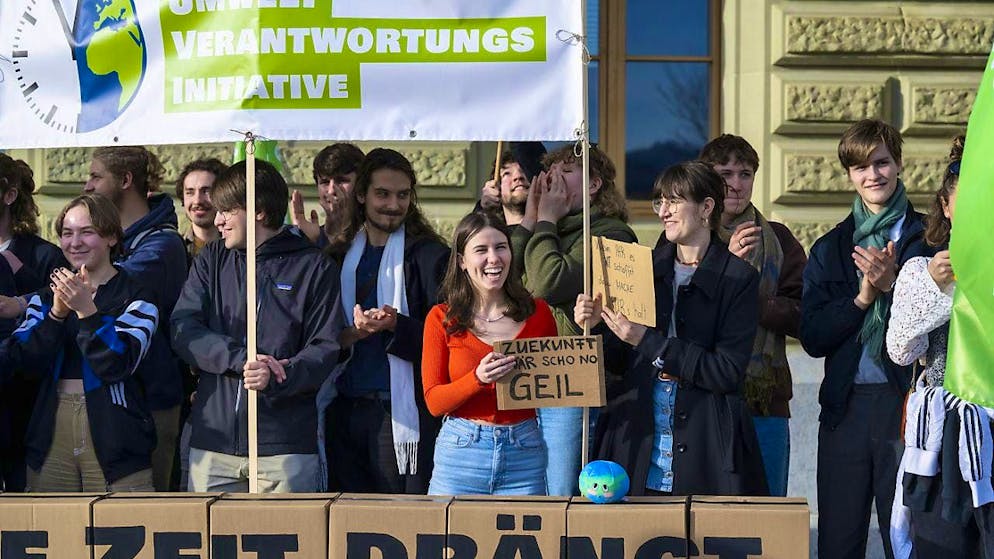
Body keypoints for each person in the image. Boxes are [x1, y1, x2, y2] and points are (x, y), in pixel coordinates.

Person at [576, 161, 767, 496]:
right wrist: (594, 328)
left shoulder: (738, 278)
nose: (663, 211)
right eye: (659, 202)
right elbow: (619, 363)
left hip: (705, 442)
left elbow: (726, 372)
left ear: (707, 207)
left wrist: (648, 342)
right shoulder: (642, 269)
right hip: (637, 439)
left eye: (674, 201)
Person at [800, 119, 933, 559]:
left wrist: (896, 287)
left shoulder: (928, 239)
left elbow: (941, 323)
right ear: (850, 175)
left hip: (907, 408)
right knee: (838, 540)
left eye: (882, 163)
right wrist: (861, 299)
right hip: (845, 407)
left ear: (898, 165)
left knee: (908, 540)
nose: (872, 175)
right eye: (861, 167)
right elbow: (814, 336)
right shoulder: (831, 247)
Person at [171, 160, 341, 492]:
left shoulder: (313, 266)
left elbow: (326, 348)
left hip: (284, 447)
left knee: (290, 542)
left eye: (227, 211)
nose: (217, 220)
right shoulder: (212, 259)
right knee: (211, 543)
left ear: (259, 211)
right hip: (213, 445)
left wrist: (280, 375)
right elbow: (183, 327)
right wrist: (240, 360)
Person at [1, 194, 160, 491]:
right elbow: (20, 361)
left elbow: (117, 364)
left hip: (115, 434)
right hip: (50, 430)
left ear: (112, 236)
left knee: (120, 528)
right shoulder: (47, 297)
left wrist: (87, 312)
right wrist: (57, 316)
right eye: (67, 233)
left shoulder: (136, 296)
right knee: (53, 530)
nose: (75, 243)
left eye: (87, 232)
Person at [887, 137, 994, 558]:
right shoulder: (920, 269)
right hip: (941, 437)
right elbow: (900, 348)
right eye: (963, 204)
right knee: (942, 545)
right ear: (946, 208)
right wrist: (937, 286)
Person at [511, 144, 637, 496]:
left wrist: (547, 221)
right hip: (525, 376)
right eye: (550, 170)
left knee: (557, 494)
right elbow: (507, 280)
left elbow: (545, 282)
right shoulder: (546, 228)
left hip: (568, 385)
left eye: (566, 171)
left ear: (594, 184)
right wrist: (529, 220)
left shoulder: (610, 232)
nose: (553, 178)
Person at [325, 148, 449, 494]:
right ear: (361, 194)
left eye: (403, 195)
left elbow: (451, 340)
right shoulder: (336, 256)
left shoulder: (430, 257)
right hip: (343, 408)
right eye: (383, 194)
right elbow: (320, 336)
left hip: (401, 414)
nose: (393, 205)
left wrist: (398, 325)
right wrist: (352, 334)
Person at [690, 135, 806, 497]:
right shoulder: (683, 237)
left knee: (768, 514)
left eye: (745, 174)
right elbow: (677, 314)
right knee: (707, 518)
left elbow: (805, 317)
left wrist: (752, 300)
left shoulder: (780, 239)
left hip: (763, 400)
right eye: (725, 173)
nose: (736, 184)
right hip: (701, 398)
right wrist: (728, 268)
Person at [422, 212, 556, 495]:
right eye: (481, 250)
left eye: (501, 247)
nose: (493, 258)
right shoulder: (441, 318)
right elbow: (434, 401)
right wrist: (477, 379)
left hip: (525, 451)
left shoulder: (540, 313)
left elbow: (558, 389)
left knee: (526, 539)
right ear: (462, 261)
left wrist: (586, 327)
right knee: (450, 539)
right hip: (462, 452)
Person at [85, 146, 187, 491]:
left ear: (126, 180)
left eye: (96, 176)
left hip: (153, 401)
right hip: (118, 402)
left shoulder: (162, 246)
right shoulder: (126, 243)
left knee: (146, 515)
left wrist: (28, 303)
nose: (87, 185)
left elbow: (105, 284)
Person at [0, 154, 68, 492]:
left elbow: (67, 289)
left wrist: (22, 302)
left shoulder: (44, 255)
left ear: (9, 195)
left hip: (29, 407)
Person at [292, 142, 365, 246]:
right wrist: (303, 244)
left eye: (341, 181)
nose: (331, 190)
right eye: (325, 182)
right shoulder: (314, 237)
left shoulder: (374, 236)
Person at [478, 142, 548, 226]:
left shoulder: (556, 232)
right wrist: (482, 209)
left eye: (524, 170)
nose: (517, 176)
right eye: (507, 173)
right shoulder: (490, 235)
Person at [175, 158, 227, 263]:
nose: (197, 200)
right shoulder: (173, 250)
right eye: (190, 192)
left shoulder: (242, 249)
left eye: (206, 191)